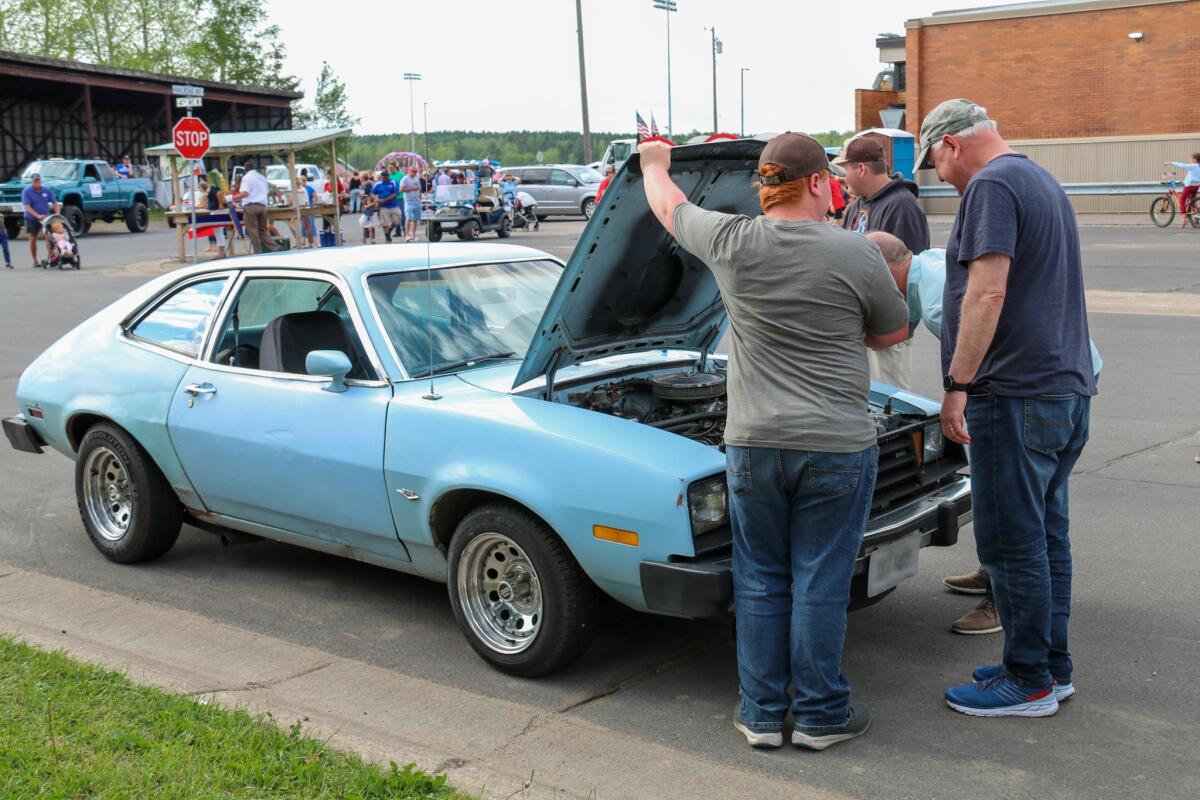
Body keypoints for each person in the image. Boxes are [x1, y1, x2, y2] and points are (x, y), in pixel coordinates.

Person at [639, 133, 908, 751]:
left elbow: (667, 205)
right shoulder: (857, 253)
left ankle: (761, 715)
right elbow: (890, 336)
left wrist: (654, 160)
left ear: (765, 186)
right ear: (817, 182)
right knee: (820, 577)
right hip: (837, 444)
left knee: (759, 576)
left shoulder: (730, 239)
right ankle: (819, 715)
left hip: (753, 444)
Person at [918, 99, 1095, 718]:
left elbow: (989, 290)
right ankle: (1050, 666)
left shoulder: (991, 185)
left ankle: (1028, 682)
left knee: (1011, 542)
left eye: (934, 163)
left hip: (1014, 394)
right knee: (1047, 537)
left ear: (951, 145)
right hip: (1063, 391)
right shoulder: (1038, 178)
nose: (941, 177)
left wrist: (957, 383)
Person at [867, 229, 1104, 637]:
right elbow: (896, 330)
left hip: (1027, 395)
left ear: (884, 274)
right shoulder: (932, 263)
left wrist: (955, 398)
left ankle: (1002, 599)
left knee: (1006, 508)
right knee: (1046, 505)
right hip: (1072, 377)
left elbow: (982, 355)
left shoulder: (943, 304)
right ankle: (1004, 578)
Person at [839, 137, 929, 255]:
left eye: (843, 170)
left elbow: (906, 268)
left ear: (861, 169)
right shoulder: (857, 205)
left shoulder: (902, 206)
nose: (840, 177)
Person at [231, 161, 279, 253]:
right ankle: (275, 248)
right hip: (263, 206)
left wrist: (233, 198)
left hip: (251, 206)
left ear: (245, 169)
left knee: (253, 231)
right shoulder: (262, 177)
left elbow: (245, 193)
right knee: (263, 230)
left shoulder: (247, 178)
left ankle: (258, 252)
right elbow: (266, 191)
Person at [22, 172, 60, 267]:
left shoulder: (46, 190)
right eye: (35, 181)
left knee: (49, 237)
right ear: (32, 182)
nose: (37, 182)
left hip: (46, 218)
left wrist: (57, 214)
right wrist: (37, 215)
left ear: (40, 181)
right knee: (33, 238)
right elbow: (27, 207)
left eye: (38, 180)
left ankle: (52, 257)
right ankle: (35, 260)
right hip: (32, 218)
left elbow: (55, 203)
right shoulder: (27, 192)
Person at [1163, 154, 1200, 225]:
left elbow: (1182, 165)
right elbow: (1192, 177)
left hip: (1189, 187)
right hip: (1196, 187)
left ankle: (1184, 219)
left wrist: (1170, 163)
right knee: (1192, 201)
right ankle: (1197, 214)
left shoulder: (1193, 166)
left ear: (1195, 160)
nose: (1190, 160)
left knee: (1182, 201)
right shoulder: (1198, 166)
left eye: (1191, 159)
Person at [372, 169, 401, 244]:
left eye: (386, 175)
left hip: (394, 205)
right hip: (383, 207)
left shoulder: (393, 182)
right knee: (385, 224)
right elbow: (372, 193)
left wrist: (385, 200)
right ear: (381, 176)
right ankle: (388, 238)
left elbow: (395, 194)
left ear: (388, 176)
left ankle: (388, 232)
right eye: (383, 175)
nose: (384, 177)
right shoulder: (378, 184)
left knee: (396, 221)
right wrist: (376, 199)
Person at [400, 166, 423, 242]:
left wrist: (420, 198)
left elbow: (419, 189)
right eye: (413, 171)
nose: (415, 173)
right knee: (408, 218)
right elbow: (401, 189)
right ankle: (407, 235)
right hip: (409, 201)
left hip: (417, 201)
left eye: (416, 172)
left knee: (415, 219)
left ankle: (413, 235)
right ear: (409, 171)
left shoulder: (416, 179)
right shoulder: (405, 179)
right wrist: (412, 188)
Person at [298, 176, 317, 248]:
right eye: (302, 180)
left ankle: (314, 241)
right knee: (303, 225)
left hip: (308, 208)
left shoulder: (309, 188)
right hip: (301, 208)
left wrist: (313, 204)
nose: (304, 182)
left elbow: (316, 197)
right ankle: (304, 242)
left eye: (305, 180)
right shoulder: (299, 189)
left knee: (311, 224)